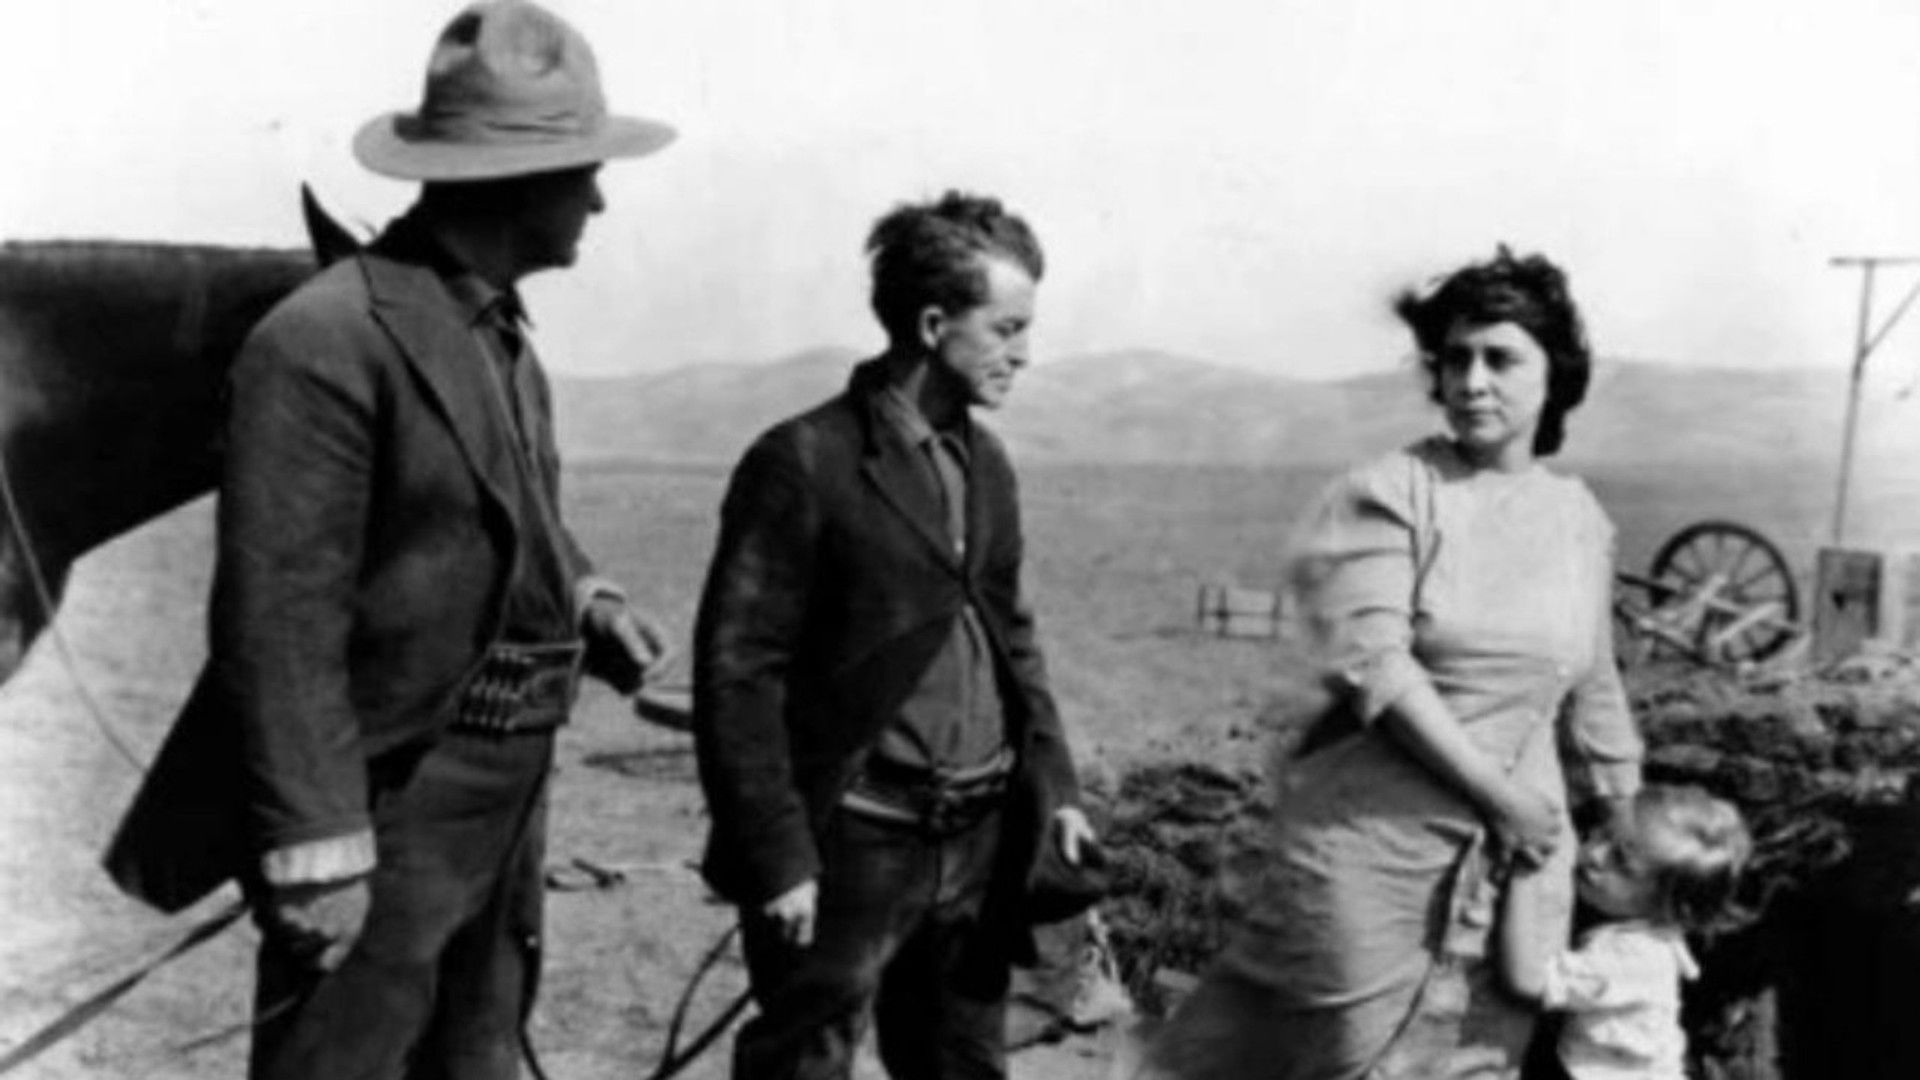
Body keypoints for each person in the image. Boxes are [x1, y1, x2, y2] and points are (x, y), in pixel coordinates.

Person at [102, 3, 676, 1077]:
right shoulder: (323, 339)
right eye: (586, 173)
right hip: (381, 810)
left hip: (502, 800)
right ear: (518, 182)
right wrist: (315, 847)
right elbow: (278, 617)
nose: (598, 200)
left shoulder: (495, 332)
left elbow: (504, 512)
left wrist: (585, 597)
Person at [1145, 247, 1646, 1080]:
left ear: (1555, 374)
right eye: (1455, 359)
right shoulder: (1389, 492)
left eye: (1500, 359)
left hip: (1521, 877)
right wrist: (1500, 799)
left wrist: (1633, 831)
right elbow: (1376, 667)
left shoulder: (1578, 519)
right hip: (1376, 861)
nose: (1472, 382)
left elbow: (1595, 689)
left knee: (1479, 1064)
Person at [692, 190, 1097, 1080]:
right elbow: (738, 674)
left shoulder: (987, 462)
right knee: (804, 1064)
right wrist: (778, 857)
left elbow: (1013, 640)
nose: (1025, 354)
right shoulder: (803, 461)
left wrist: (1057, 789)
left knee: (963, 1065)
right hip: (853, 842)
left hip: (979, 838)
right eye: (1006, 329)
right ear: (932, 324)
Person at [1499, 784, 1751, 1080]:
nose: (1595, 854)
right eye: (1601, 834)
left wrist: (1523, 875)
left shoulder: (1636, 956)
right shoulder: (1641, 930)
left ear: (1665, 903)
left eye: (1621, 862)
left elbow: (1527, 981)